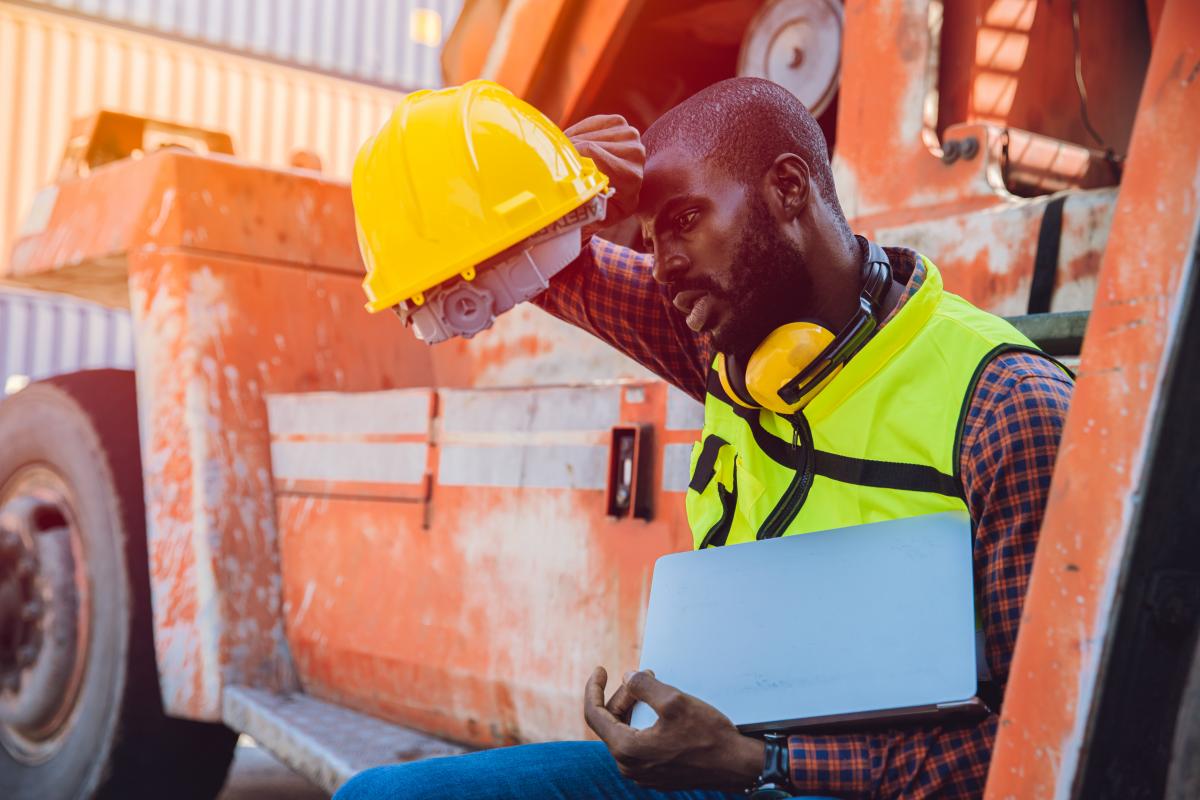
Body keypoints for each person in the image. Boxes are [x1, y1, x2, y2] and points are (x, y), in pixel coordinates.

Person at [336, 77, 1073, 799]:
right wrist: (554, 172)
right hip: (721, 770)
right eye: (651, 241)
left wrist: (763, 763)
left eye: (685, 221)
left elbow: (1038, 739)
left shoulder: (1004, 408)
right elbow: (536, 267)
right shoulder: (730, 347)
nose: (662, 268)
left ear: (788, 190)